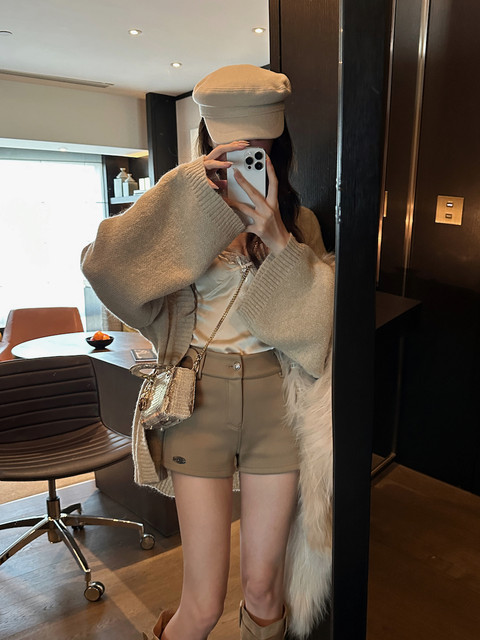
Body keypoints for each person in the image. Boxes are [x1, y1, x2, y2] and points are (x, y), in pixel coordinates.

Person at [81, 64, 334, 640]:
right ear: (208, 146)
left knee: (264, 589)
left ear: (277, 152)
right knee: (202, 602)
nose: (246, 163)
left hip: (277, 406)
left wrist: (278, 240)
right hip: (197, 400)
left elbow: (318, 334)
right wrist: (187, 188)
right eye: (231, 152)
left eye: (257, 153)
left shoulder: (301, 223)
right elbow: (105, 268)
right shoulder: (181, 210)